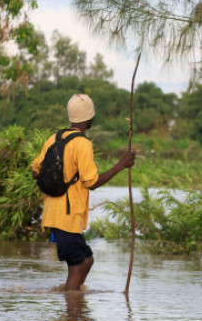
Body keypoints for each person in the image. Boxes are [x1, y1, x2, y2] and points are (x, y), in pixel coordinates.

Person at [32, 93, 135, 291]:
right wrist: (120, 165)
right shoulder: (83, 143)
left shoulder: (54, 137)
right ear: (89, 119)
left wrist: (55, 177)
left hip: (55, 214)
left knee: (85, 260)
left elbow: (35, 170)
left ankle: (74, 305)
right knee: (78, 264)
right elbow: (92, 182)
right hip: (68, 217)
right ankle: (72, 314)